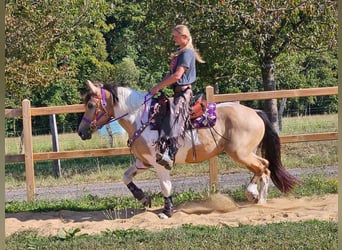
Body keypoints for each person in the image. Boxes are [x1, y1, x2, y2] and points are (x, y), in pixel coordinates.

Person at [149, 24, 205, 170]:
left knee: (173, 115)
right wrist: (157, 86)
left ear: (184, 37)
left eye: (176, 36)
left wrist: (158, 87)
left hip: (184, 93)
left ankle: (170, 152)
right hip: (177, 91)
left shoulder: (187, 53)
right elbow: (171, 74)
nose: (173, 39)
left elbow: (177, 75)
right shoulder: (180, 53)